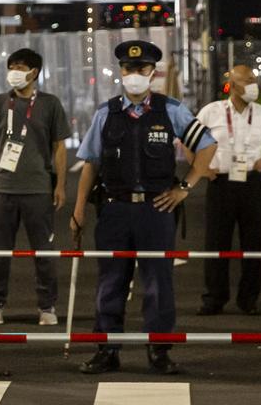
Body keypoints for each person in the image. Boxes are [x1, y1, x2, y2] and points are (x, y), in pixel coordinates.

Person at [71, 40, 217, 376]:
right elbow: (91, 164)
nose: (134, 75)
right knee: (110, 283)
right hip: (114, 210)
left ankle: (159, 351)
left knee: (158, 284)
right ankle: (107, 351)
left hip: (156, 211)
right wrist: (78, 210)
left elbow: (207, 146)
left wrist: (185, 187)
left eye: (141, 69)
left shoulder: (171, 110)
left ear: (152, 72)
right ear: (121, 72)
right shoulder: (106, 113)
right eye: (128, 69)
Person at [0, 48, 71, 326]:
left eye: (21, 67)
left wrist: (60, 185)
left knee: (43, 252)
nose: (15, 72)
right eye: (12, 66)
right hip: (3, 188)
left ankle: (47, 306)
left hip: (38, 189)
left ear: (34, 72)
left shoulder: (50, 104)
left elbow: (59, 148)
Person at [195, 65, 261, 316]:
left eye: (254, 80)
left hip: (252, 183)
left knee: (253, 243)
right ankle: (214, 299)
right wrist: (202, 168)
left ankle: (248, 299)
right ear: (233, 85)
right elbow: (188, 139)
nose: (253, 85)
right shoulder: (212, 111)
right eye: (248, 80)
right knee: (217, 243)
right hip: (221, 183)